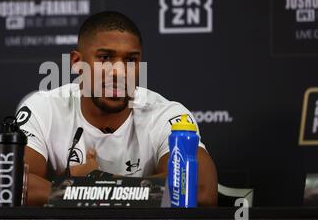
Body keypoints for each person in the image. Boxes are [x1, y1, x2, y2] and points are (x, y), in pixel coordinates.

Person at [17, 11, 217, 206]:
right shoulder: (45, 108)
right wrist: (87, 185)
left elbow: (199, 190)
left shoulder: (167, 115)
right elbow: (18, 186)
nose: (119, 72)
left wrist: (95, 180)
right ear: (77, 63)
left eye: (131, 60)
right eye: (105, 58)